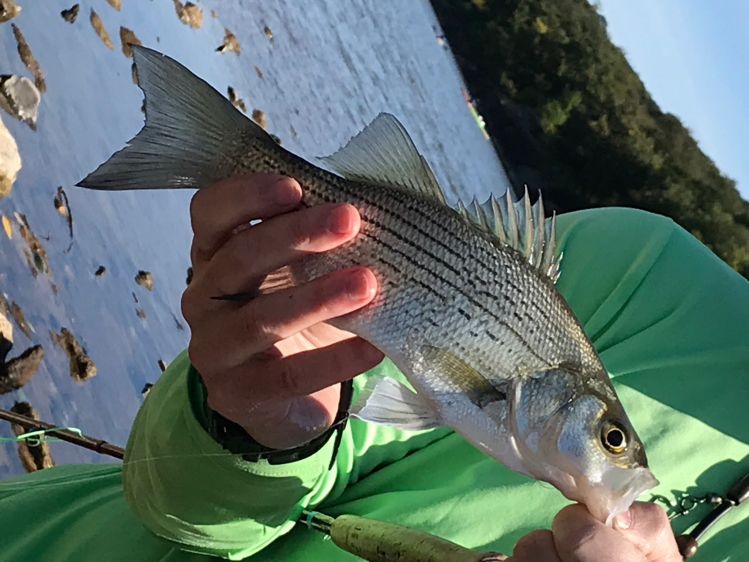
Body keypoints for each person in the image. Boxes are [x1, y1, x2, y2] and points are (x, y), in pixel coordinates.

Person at [1, 174, 747, 561]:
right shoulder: (646, 273)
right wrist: (266, 424)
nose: (618, 458)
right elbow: (173, 496)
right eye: (613, 438)